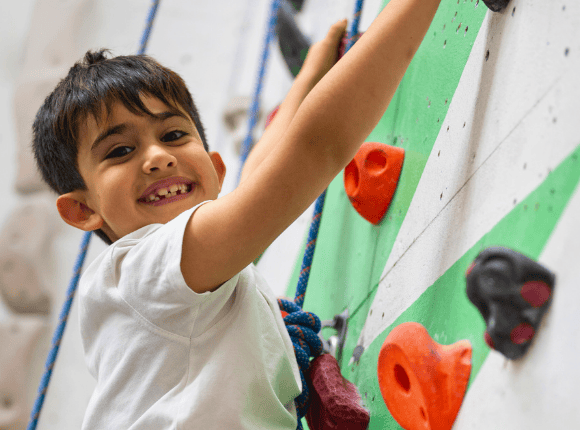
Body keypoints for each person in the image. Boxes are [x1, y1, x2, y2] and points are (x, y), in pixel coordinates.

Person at [32, 0, 443, 428]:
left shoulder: (183, 279)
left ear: (215, 169)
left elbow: (260, 175)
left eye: (173, 135)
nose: (157, 158)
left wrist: (309, 76)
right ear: (82, 209)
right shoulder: (143, 269)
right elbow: (312, 149)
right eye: (120, 151)